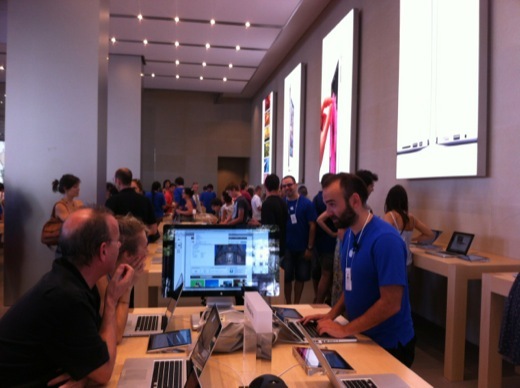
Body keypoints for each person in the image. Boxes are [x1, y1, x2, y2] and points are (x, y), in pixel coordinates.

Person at [0, 207, 134, 386]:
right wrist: (111, 300)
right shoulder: (66, 297)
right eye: (117, 241)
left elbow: (96, 350)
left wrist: (84, 373)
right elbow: (104, 371)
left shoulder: (72, 279)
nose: (119, 246)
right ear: (103, 251)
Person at [302, 173, 415, 367]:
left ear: (354, 201)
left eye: (332, 204)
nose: (328, 212)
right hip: (363, 335)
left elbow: (391, 303)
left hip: (390, 346)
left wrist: (345, 330)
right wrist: (331, 315)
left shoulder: (386, 240)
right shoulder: (349, 236)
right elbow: (351, 286)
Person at [96, 215, 147, 344]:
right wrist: (128, 287)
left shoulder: (111, 275)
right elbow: (116, 335)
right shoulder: (99, 278)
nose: (147, 252)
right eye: (145, 246)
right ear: (128, 255)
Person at [281, 175, 317, 304]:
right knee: (287, 278)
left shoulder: (306, 203)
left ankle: (296, 304)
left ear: (295, 185)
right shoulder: (282, 203)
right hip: (286, 248)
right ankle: (288, 304)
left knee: (301, 278)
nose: (287, 188)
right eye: (284, 186)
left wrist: (310, 247)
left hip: (303, 248)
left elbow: (313, 226)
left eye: (289, 185)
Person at [383, 185, 434, 268]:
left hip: (394, 262)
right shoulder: (411, 218)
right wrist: (413, 239)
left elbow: (383, 237)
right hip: (408, 262)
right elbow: (430, 234)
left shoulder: (390, 216)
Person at [105, 168, 158, 242]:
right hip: (140, 244)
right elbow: (154, 229)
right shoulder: (145, 200)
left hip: (120, 246)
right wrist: (141, 234)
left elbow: (107, 228)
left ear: (118, 181)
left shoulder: (111, 201)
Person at [312, 173, 337, 303]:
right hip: (328, 243)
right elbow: (319, 220)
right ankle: (319, 301)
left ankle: (319, 299)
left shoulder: (316, 198)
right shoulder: (329, 200)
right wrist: (332, 233)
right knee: (326, 274)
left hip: (319, 242)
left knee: (321, 273)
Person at [260, 174, 288, 260]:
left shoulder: (267, 204)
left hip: (272, 247)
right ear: (279, 186)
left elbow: (269, 228)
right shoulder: (283, 202)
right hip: (283, 244)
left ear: (265, 186)